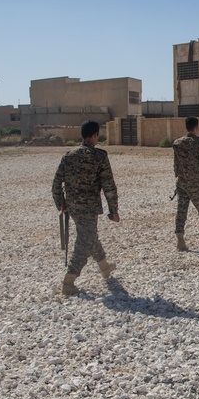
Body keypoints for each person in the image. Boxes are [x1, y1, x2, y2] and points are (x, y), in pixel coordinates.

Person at [52, 120, 119, 295]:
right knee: (84, 241)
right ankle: (69, 280)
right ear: (95, 134)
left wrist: (61, 204)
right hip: (89, 208)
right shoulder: (99, 156)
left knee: (88, 235)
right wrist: (114, 210)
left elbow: (56, 184)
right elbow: (108, 185)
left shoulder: (68, 156)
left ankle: (104, 267)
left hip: (73, 208)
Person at [172, 117, 199, 251]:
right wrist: (196, 170)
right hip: (195, 181)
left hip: (181, 181)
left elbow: (176, 164)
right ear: (196, 127)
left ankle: (180, 240)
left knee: (181, 210)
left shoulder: (177, 143)